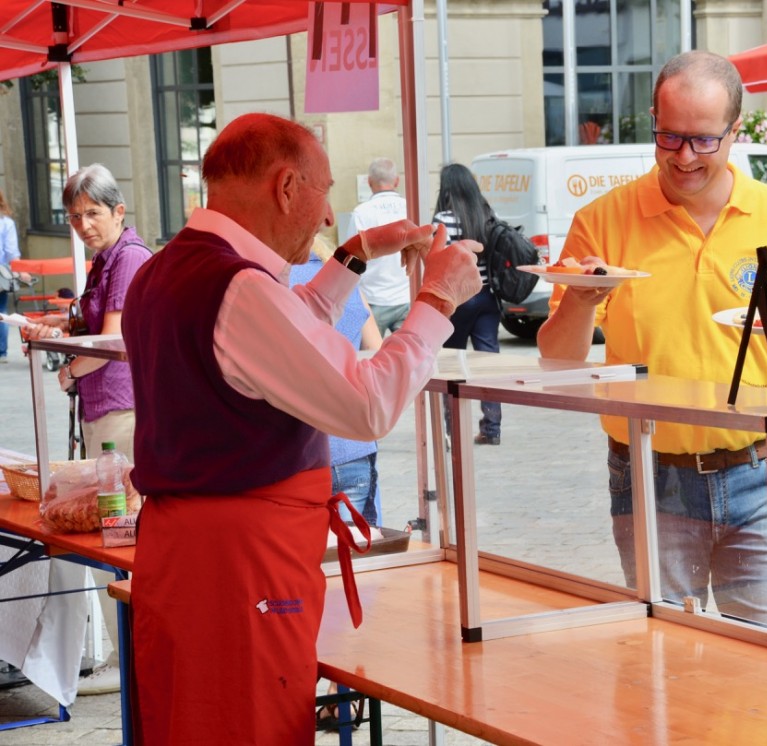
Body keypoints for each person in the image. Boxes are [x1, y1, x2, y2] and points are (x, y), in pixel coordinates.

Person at [121, 112, 482, 744]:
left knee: (189, 721)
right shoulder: (236, 286)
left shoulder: (164, 269)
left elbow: (280, 343)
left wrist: (353, 256)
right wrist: (437, 302)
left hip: (185, 554)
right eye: (323, 192)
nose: (324, 215)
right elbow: (365, 405)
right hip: (239, 567)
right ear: (287, 188)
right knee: (248, 727)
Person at [537, 50, 767, 625]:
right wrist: (585, 299)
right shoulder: (604, 220)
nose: (684, 157)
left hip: (759, 472)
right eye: (669, 138)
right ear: (653, 121)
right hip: (649, 471)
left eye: (703, 141)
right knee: (669, 664)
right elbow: (558, 359)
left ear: (735, 132)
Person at [25, 165, 152, 696]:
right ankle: (127, 655)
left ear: (118, 211)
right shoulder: (106, 260)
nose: (83, 225)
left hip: (124, 412)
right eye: (76, 216)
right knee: (113, 532)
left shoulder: (128, 258)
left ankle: (132, 658)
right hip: (106, 412)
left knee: (123, 535)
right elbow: (86, 324)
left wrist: (67, 367)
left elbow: (112, 340)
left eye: (92, 213)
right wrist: (52, 329)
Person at [289, 237, 384, 528]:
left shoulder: (268, 281)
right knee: (357, 560)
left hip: (298, 452)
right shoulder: (348, 280)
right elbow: (377, 351)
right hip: (353, 443)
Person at [433, 162, 503, 446]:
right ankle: (492, 429)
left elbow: (439, 258)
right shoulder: (486, 214)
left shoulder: (443, 219)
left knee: (451, 364)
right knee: (489, 364)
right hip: (487, 298)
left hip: (458, 300)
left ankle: (451, 431)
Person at [352, 157, 411, 337]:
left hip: (373, 299)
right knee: (409, 358)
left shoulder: (361, 212)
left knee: (370, 358)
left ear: (369, 182)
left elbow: (351, 257)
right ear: (397, 180)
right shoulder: (411, 207)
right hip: (406, 297)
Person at [0, 187, 29, 364]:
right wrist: (20, 271)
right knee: (1, 311)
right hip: (1, 273)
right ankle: (1, 352)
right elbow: (11, 252)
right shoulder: (5, 223)